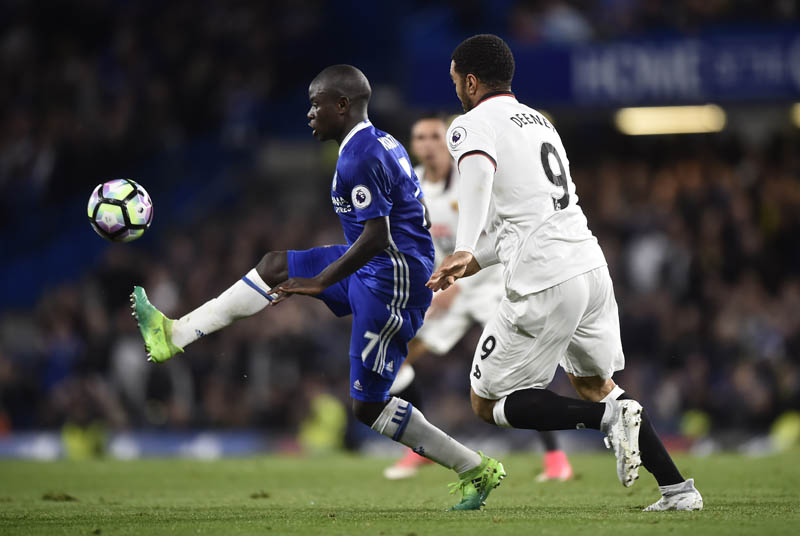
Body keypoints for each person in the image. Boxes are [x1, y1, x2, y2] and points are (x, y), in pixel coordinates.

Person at [130, 64, 505, 511]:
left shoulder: (360, 156)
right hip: (379, 266)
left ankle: (473, 468)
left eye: (316, 103)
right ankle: (174, 335)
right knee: (274, 266)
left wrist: (322, 281)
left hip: (394, 282)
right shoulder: (375, 141)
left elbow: (377, 235)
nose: (309, 114)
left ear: (342, 105)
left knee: (368, 407)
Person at [427, 35, 703, 512]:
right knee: (597, 385)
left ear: (471, 82)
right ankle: (679, 490)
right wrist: (473, 262)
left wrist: (463, 245)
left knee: (486, 400)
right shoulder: (541, 123)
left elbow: (475, 177)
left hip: (543, 278)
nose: (456, 92)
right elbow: (526, 218)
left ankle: (606, 421)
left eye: (456, 83)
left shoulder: (470, 126)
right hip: (589, 268)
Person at [383, 114, 573, 483]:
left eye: (435, 136)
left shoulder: (470, 179)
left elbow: (495, 235)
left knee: (518, 374)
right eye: (419, 137)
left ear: (446, 140)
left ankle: (555, 458)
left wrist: (459, 282)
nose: (427, 144)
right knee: (397, 357)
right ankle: (420, 447)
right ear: (413, 144)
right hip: (446, 290)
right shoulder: (414, 186)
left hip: (490, 284)